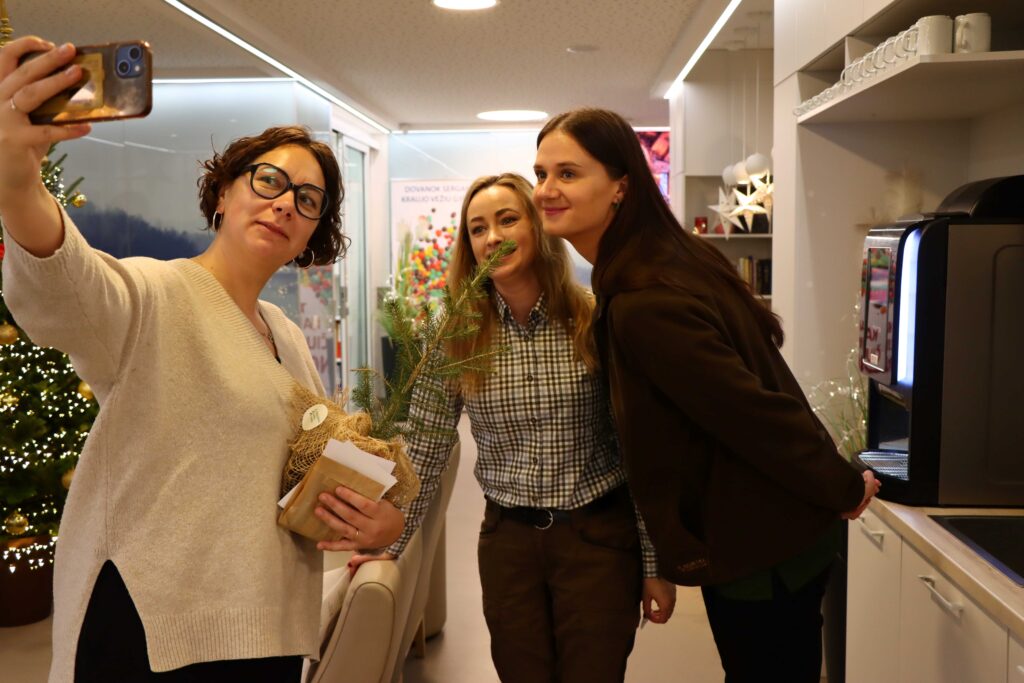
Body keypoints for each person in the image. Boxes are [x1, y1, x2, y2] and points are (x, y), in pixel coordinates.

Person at [0, 37, 403, 683]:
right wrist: (18, 181)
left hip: (266, 629)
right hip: (154, 633)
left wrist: (376, 522)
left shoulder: (284, 334)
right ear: (221, 193)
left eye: (308, 199)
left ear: (310, 234)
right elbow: (65, 290)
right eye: (269, 180)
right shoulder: (154, 294)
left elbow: (302, 479)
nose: (285, 202)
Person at [532, 107, 880, 683]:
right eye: (541, 173)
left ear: (620, 186)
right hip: (770, 532)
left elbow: (751, 413)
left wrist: (840, 485)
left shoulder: (645, 300)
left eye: (568, 173)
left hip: (759, 543)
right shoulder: (666, 261)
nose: (546, 190)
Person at [348, 172, 676, 682]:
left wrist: (655, 564)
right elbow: (427, 447)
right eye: (478, 228)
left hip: (598, 543)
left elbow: (637, 450)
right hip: (509, 547)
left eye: (507, 220)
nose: (492, 237)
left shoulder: (594, 320)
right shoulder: (456, 336)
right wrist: (393, 536)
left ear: (537, 227)